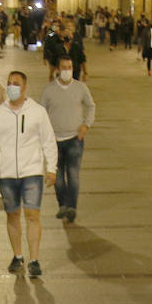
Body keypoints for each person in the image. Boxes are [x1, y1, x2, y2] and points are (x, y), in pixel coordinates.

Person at [0, 71, 58, 277]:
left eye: (15, 84)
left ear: (24, 87)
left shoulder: (38, 112)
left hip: (32, 172)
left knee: (32, 214)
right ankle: (18, 256)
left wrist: (51, 168)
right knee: (13, 214)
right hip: (7, 173)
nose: (11, 87)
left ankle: (34, 259)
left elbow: (48, 141)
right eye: (9, 83)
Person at [40, 55, 96, 224]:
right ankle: (63, 204)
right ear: (57, 69)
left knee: (73, 175)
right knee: (57, 177)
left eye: (69, 67)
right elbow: (41, 114)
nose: (67, 70)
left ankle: (71, 207)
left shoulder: (80, 88)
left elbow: (91, 106)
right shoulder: (49, 90)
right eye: (63, 67)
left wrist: (86, 125)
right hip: (54, 141)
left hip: (74, 139)